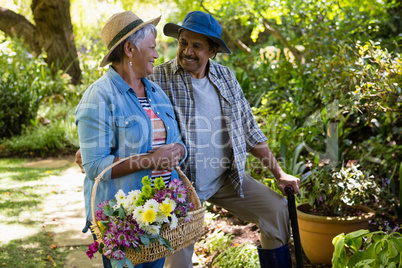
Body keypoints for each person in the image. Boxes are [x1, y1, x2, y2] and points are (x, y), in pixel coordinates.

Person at [76, 10, 300, 268]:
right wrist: (88, 151)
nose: (187, 51)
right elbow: (115, 100)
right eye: (183, 42)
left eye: (197, 45)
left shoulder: (226, 78)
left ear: (212, 51)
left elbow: (251, 131)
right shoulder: (156, 77)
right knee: (177, 258)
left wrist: (279, 173)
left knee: (276, 210)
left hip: (223, 176)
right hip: (180, 184)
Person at [75, 11, 186, 268]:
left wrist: (178, 151)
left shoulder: (155, 91)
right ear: (129, 49)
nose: (157, 55)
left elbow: (178, 142)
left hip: (158, 215)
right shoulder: (99, 97)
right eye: (152, 47)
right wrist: (149, 161)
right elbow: (95, 167)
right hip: (122, 221)